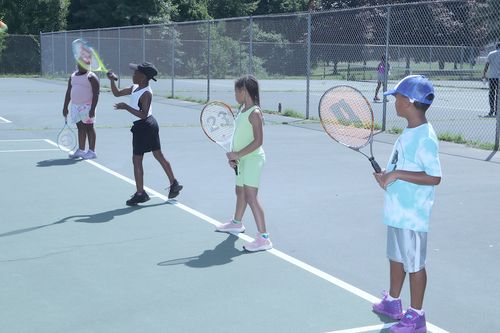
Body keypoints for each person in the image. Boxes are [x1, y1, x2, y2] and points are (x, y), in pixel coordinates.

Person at [372, 75, 442, 333]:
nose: (394, 100)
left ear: (409, 102)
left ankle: (416, 316)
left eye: (398, 97)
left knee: (414, 265)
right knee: (396, 257)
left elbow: (434, 176)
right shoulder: (410, 130)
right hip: (397, 210)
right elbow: (402, 165)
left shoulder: (425, 136)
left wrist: (397, 175)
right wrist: (387, 175)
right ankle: (392, 303)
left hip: (412, 215)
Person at [106, 62, 183, 205]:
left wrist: (126, 107)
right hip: (146, 126)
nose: (133, 74)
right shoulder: (135, 87)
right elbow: (117, 93)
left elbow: (143, 114)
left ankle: (141, 193)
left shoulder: (146, 93)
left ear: (143, 77)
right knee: (157, 155)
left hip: (145, 126)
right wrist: (111, 80)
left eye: (136, 73)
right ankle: (174, 183)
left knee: (137, 159)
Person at [215, 75, 272, 252]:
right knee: (239, 191)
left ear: (244, 91)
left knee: (251, 197)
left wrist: (238, 154)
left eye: (236, 91)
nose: (235, 94)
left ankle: (264, 238)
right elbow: (239, 136)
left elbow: (258, 141)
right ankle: (236, 223)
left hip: (253, 159)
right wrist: (235, 156)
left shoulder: (254, 113)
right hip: (242, 158)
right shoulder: (242, 109)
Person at [63, 62, 100, 159]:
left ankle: (92, 152)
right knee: (80, 127)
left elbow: (96, 94)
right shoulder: (73, 76)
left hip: (87, 106)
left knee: (89, 127)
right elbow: (69, 91)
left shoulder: (91, 77)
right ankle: (81, 150)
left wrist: (92, 109)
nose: (84, 66)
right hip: (75, 106)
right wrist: (65, 106)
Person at [482, 42, 500, 117]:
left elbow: (487, 65)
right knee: (498, 95)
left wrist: (484, 74)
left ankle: (491, 110)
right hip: (499, 77)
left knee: (492, 93)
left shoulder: (491, 54)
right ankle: (497, 111)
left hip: (492, 76)